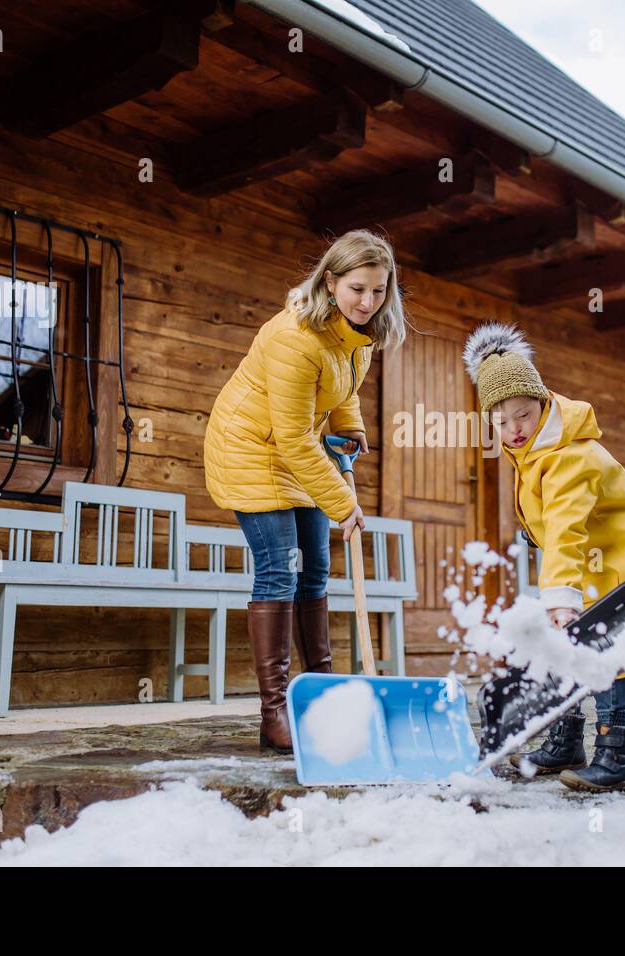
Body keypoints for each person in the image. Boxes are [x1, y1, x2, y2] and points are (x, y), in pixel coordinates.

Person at [462, 322, 625, 791]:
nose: (513, 430)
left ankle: (617, 755)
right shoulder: (533, 451)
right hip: (581, 558)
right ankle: (566, 742)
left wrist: (560, 595)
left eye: (523, 416)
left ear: (543, 402)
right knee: (563, 643)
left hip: (613, 559)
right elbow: (552, 518)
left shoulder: (568, 455)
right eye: (500, 422)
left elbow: (567, 528)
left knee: (605, 651)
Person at [204, 230, 406, 754]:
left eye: (379, 291)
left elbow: (342, 390)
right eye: (358, 288)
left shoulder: (354, 333)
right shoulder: (295, 337)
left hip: (302, 452)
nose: (368, 301)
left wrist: (352, 427)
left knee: (314, 568)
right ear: (330, 280)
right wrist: (344, 503)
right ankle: (275, 713)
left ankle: (318, 697)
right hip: (251, 449)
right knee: (279, 567)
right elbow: (291, 436)